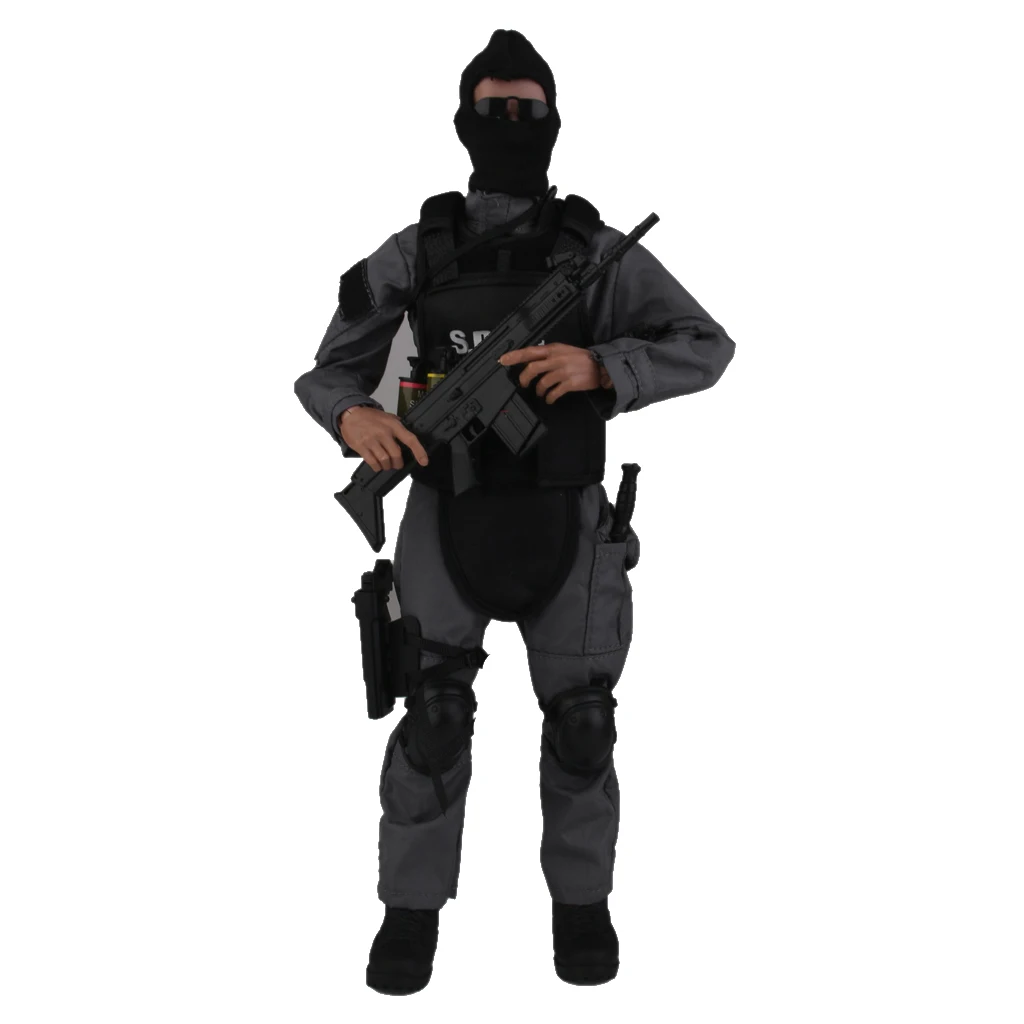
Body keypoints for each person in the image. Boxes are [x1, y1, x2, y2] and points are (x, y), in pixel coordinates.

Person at [294, 29, 736, 994]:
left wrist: (602, 366)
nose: (510, 124)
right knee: (434, 719)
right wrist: (355, 415)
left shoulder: (596, 253)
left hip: (568, 517)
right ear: (463, 122)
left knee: (583, 725)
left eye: (526, 109)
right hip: (441, 512)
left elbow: (706, 345)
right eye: (492, 109)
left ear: (554, 121)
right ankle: (409, 912)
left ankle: (582, 907)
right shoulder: (418, 251)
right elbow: (326, 370)